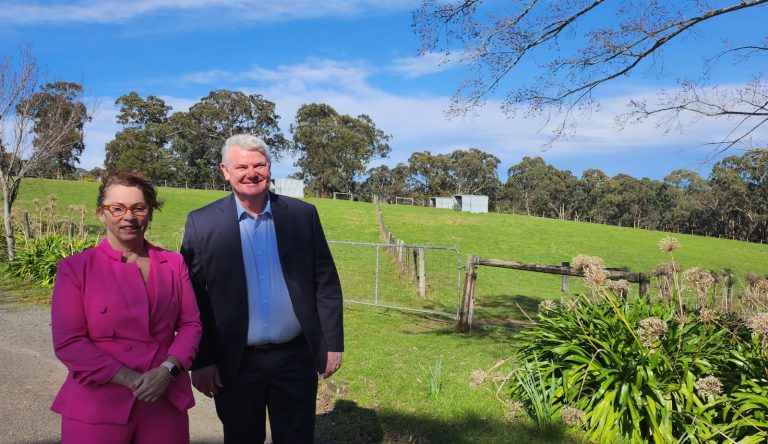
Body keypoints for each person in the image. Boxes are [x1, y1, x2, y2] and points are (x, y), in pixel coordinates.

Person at [181, 134, 344, 443]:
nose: (251, 173)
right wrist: (201, 361)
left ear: (269, 168)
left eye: (259, 164)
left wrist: (332, 344)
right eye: (241, 166)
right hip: (235, 363)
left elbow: (325, 282)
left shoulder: (302, 215)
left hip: (295, 358)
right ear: (225, 171)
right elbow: (193, 299)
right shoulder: (201, 224)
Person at [50, 171, 202, 444]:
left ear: (150, 213)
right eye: (117, 208)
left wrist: (168, 371)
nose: (128, 216)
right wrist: (131, 379)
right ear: (101, 213)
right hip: (98, 401)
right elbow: (69, 342)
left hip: (163, 401)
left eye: (139, 208)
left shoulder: (174, 264)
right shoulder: (75, 269)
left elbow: (191, 324)